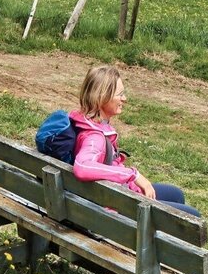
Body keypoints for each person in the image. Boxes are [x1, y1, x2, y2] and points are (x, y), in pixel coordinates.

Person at [69, 64, 200, 217]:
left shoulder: (89, 123)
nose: (124, 99)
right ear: (102, 97)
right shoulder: (94, 137)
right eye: (120, 94)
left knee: (175, 194)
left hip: (116, 194)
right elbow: (82, 167)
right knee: (192, 216)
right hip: (117, 209)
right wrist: (133, 175)